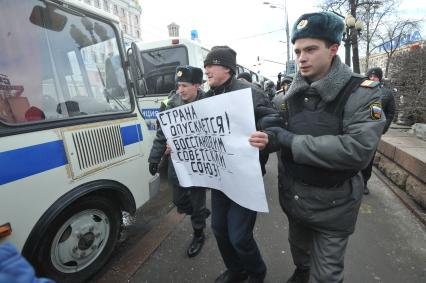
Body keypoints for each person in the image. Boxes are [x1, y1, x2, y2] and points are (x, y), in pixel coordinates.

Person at [263, 12, 385, 283]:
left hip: (335, 205)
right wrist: (268, 134)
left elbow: (359, 148)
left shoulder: (363, 92)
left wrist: (289, 141)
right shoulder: (289, 93)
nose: (301, 58)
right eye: (297, 51)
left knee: (327, 275)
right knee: (300, 254)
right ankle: (302, 271)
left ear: (333, 49)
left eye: (310, 49)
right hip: (294, 198)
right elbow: (278, 119)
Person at [204, 45, 280, 283]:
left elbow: (274, 120)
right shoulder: (207, 97)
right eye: (205, 65)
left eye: (210, 65)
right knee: (219, 230)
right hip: (220, 179)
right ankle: (236, 271)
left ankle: (256, 272)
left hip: (245, 178)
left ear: (227, 67)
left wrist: (267, 135)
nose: (205, 70)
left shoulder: (250, 92)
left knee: (239, 236)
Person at [148, 65, 211, 258]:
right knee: (179, 201)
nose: (180, 90)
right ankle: (199, 214)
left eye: (184, 85)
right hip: (178, 166)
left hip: (200, 165)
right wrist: (154, 157)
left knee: (198, 203)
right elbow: (161, 135)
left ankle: (198, 234)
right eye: (178, 85)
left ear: (198, 85)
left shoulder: (209, 104)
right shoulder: (169, 104)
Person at [361, 67, 396, 194]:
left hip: (374, 132)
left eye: (375, 77)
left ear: (379, 78)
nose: (372, 78)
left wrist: (383, 128)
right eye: (370, 76)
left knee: (368, 158)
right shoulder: (360, 90)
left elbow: (391, 112)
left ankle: (364, 182)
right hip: (358, 128)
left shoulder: (386, 93)